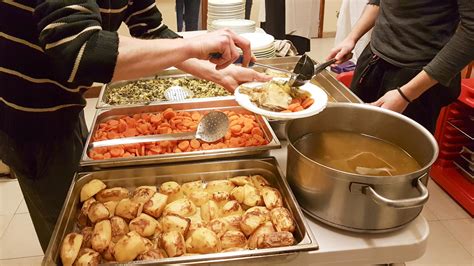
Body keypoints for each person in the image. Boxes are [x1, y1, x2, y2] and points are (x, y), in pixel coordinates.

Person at [0, 0, 268, 251]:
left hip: (65, 102)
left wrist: (219, 72)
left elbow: (152, 30)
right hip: (29, 116)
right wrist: (193, 46)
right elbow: (81, 54)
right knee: (67, 234)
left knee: (87, 216)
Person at [327, 0, 474, 133]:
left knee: (396, 151)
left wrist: (406, 95)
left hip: (417, 76)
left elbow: (471, 32)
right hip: (373, 61)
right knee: (351, 132)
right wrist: (351, 38)